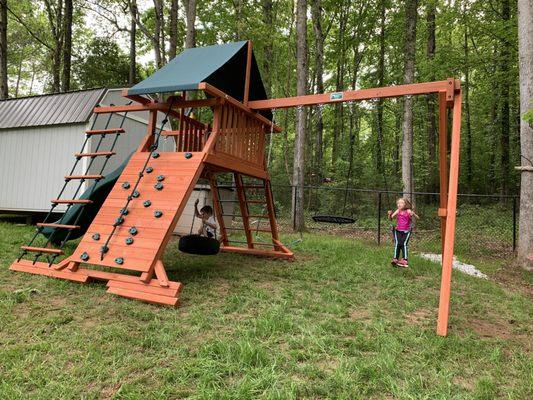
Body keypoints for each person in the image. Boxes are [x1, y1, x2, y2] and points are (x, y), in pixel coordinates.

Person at [387, 197, 419, 268]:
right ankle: (395, 259)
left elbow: (417, 217)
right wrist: (389, 214)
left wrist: (412, 214)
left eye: (401, 203)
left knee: (404, 244)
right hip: (398, 230)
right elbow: (391, 218)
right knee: (397, 244)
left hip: (407, 231)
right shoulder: (398, 210)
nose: (399, 204)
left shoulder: (408, 210)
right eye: (398, 203)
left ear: (405, 204)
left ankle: (405, 260)